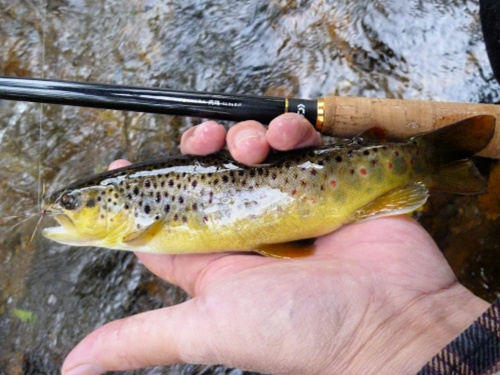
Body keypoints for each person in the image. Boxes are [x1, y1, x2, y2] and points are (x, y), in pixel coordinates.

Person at [61, 114, 497, 375]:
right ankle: (425, 159)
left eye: (72, 203)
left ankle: (427, 159)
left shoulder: (152, 233)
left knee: (263, 146)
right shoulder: (149, 231)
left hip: (346, 200)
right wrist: (385, 341)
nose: (63, 211)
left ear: (118, 202)